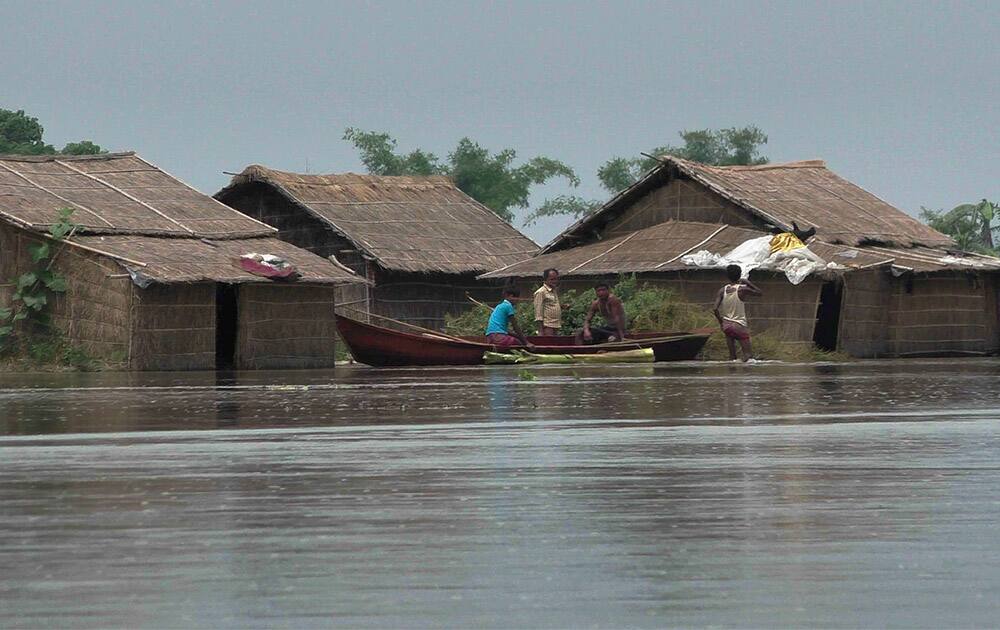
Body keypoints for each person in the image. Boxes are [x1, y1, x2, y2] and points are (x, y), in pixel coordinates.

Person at [713, 264, 762, 362]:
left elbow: (715, 309)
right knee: (748, 357)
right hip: (739, 325)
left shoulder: (722, 290)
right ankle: (746, 376)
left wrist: (721, 323)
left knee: (732, 358)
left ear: (727, 276)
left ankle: (732, 376)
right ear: (739, 275)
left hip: (726, 326)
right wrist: (748, 282)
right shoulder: (742, 289)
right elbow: (759, 293)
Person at [533, 268, 562, 336]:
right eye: (552, 279)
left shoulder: (553, 291)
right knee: (549, 344)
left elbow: (551, 305)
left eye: (556, 279)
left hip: (556, 324)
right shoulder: (541, 292)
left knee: (555, 344)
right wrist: (540, 330)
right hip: (547, 325)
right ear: (545, 280)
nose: (554, 281)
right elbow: (538, 312)